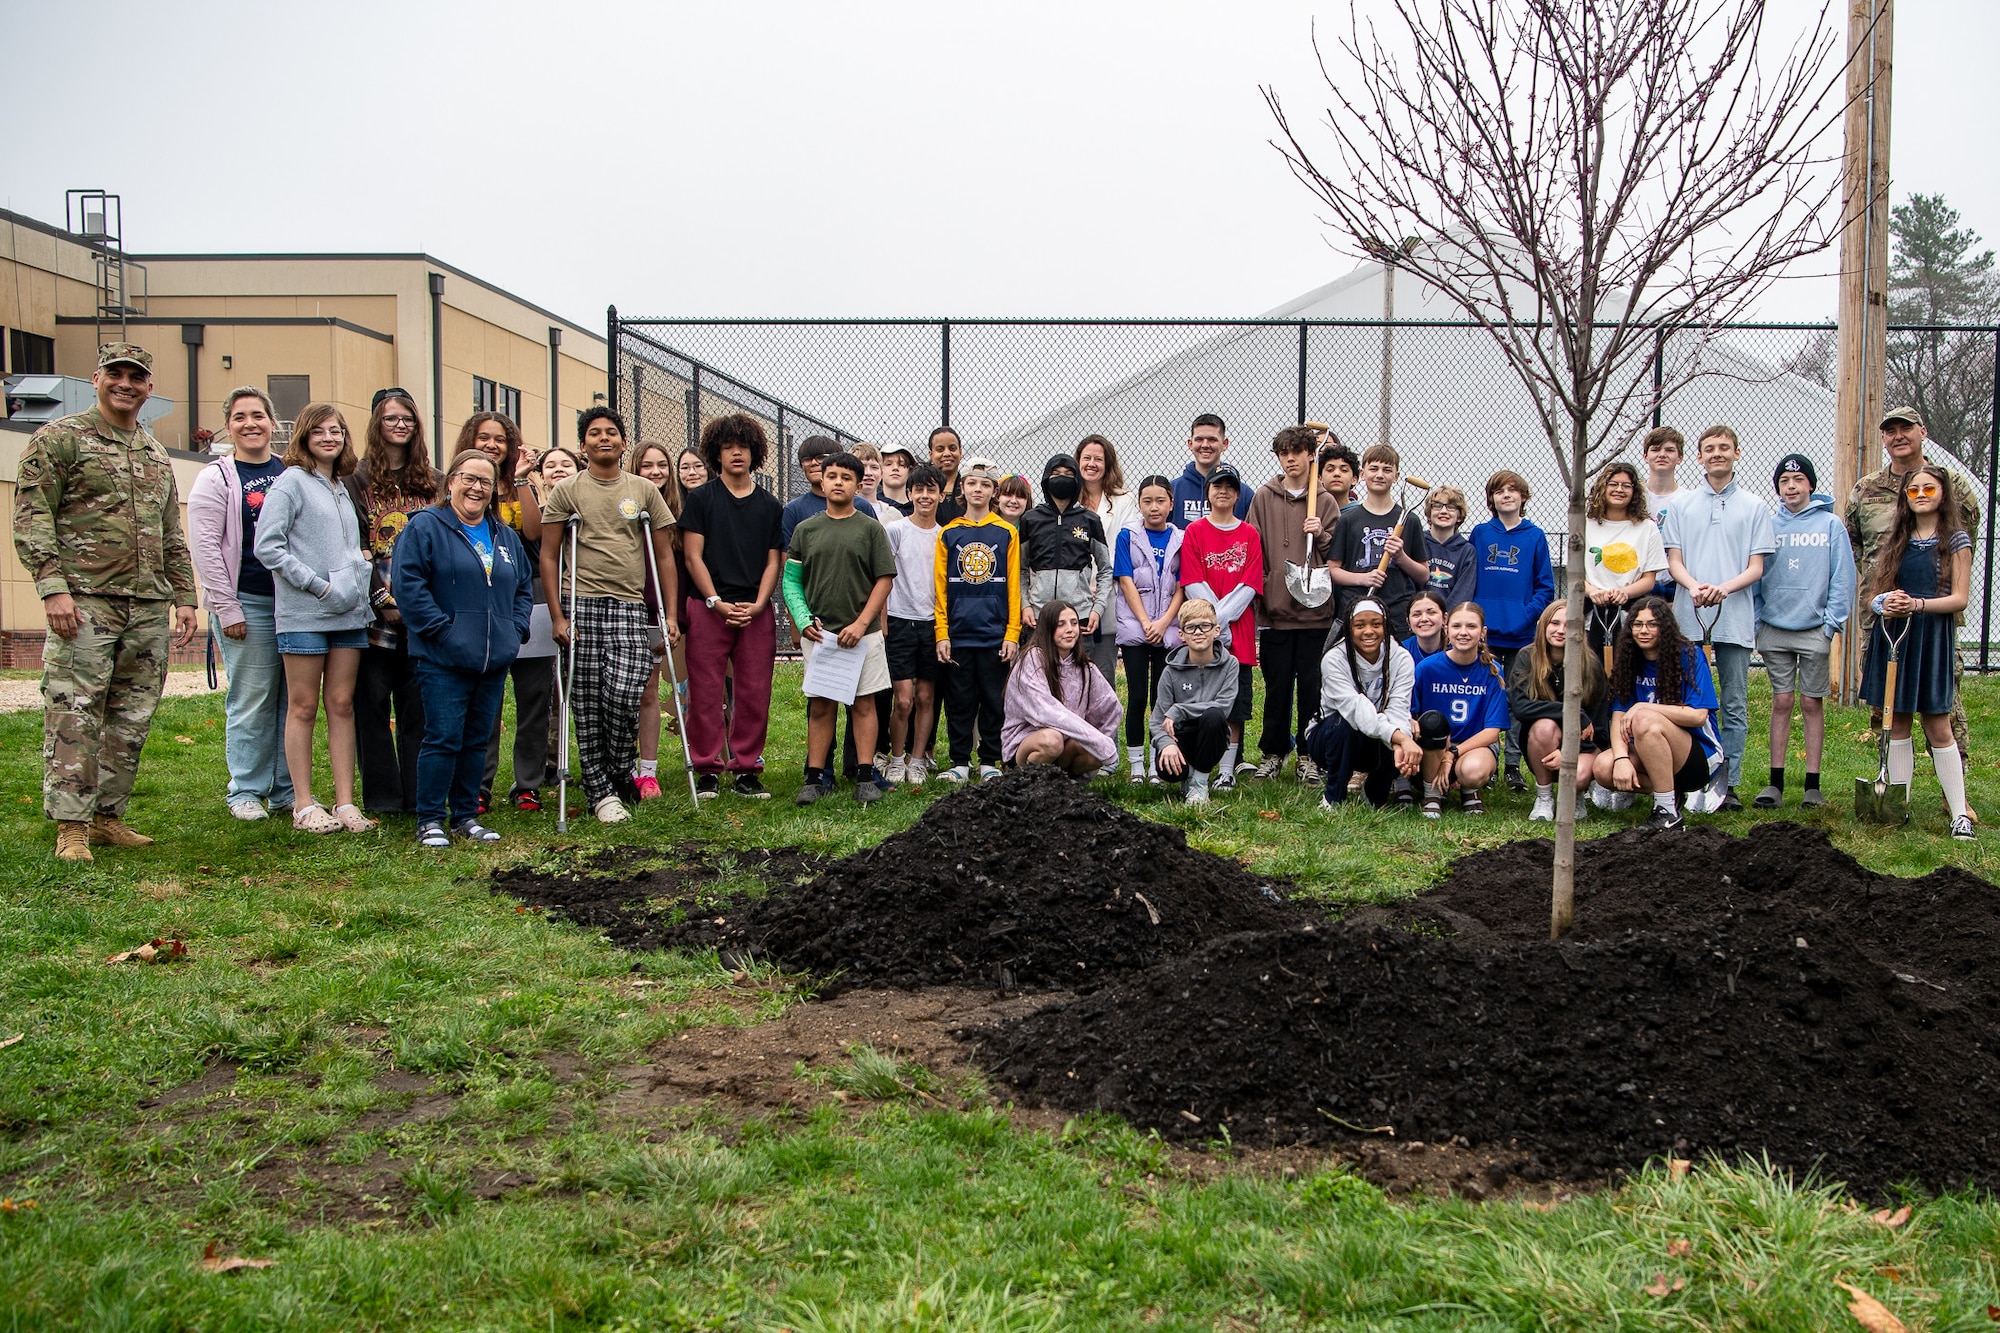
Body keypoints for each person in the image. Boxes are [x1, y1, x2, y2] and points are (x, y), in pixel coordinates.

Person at [13, 342, 198, 861]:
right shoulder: (61, 438)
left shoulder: (154, 453)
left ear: (148, 387)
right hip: (85, 602)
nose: (126, 383)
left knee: (131, 716)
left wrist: (185, 596)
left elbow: (169, 532)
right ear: (96, 378)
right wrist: (53, 588)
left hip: (146, 606)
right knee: (75, 712)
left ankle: (106, 817)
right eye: (115, 373)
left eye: (136, 377)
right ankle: (70, 825)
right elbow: (32, 517)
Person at [537, 406, 679, 825]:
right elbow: (548, 556)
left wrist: (669, 613)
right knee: (585, 700)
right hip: (581, 601)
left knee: (624, 693)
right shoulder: (567, 490)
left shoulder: (643, 490)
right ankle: (602, 791)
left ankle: (618, 771)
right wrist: (558, 616)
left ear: (622, 442)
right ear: (583, 445)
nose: (604, 438)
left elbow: (665, 556)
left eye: (612, 432)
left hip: (629, 605)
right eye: (595, 433)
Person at [392, 449, 533, 846]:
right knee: (443, 737)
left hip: (492, 659)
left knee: (477, 739)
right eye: (468, 478)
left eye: (485, 482)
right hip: (442, 657)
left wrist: (515, 629)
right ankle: (431, 818)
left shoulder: (505, 536)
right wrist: (442, 631)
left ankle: (466, 815)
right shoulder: (425, 528)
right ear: (450, 481)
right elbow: (409, 586)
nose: (476, 488)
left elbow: (523, 587)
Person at [255, 402, 376, 835]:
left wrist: (357, 569)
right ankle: (303, 804)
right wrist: (318, 585)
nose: (329, 438)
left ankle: (345, 802)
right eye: (320, 431)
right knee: (304, 707)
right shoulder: (291, 482)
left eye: (337, 430)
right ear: (304, 435)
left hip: (348, 615)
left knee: (342, 705)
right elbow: (268, 547)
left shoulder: (340, 485)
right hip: (305, 612)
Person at [1846, 405, 1981, 763]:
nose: (1898, 436)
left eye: (1906, 428)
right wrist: (1884, 586)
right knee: (1887, 705)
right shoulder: (1866, 489)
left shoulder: (1951, 483)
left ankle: (1954, 794)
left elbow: (1964, 537)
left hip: (1934, 617)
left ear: (1922, 432)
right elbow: (1856, 544)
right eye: (1890, 431)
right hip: (1881, 615)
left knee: (1944, 704)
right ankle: (1891, 788)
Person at [187, 386, 295, 821]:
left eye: (258, 415)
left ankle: (287, 790)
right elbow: (206, 548)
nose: (250, 423)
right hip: (247, 601)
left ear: (273, 423)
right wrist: (226, 607)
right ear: (228, 426)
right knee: (253, 698)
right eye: (239, 417)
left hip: (293, 604)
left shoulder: (291, 472)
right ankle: (245, 791)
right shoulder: (217, 477)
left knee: (294, 701)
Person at [1859, 463, 1975, 839]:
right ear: (1905, 499)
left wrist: (1917, 606)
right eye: (1914, 491)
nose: (1921, 495)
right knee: (1899, 722)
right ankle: (1899, 805)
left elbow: (1959, 599)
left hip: (1931, 639)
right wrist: (1884, 604)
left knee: (1939, 724)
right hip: (1896, 637)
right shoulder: (1897, 540)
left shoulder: (1956, 540)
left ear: (1943, 494)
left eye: (1929, 489)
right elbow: (1878, 594)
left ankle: (1959, 813)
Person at [1662, 425, 1774, 811]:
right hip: (1687, 618)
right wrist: (1694, 587)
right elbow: (1674, 561)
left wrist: (1723, 589)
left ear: (1737, 453)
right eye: (1709, 449)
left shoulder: (1755, 506)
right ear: (1699, 457)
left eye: (1724, 448)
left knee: (1734, 703)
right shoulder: (1681, 505)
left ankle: (1730, 783)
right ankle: (1689, 778)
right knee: (1683, 701)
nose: (1717, 454)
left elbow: (1756, 566)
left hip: (1734, 619)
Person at [343, 388, 440, 816]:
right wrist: (381, 597)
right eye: (390, 419)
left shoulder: (435, 481)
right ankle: (383, 799)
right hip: (370, 614)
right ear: (375, 424)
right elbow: (351, 548)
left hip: (423, 612)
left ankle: (420, 794)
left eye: (408, 419)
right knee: (372, 704)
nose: (400, 426)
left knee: (419, 709)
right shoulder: (354, 480)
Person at [680, 413, 786, 799]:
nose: (735, 453)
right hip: (708, 608)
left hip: (756, 611)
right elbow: (693, 557)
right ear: (716, 453)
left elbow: (775, 560)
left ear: (754, 452)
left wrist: (759, 605)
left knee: (754, 691)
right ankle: (706, 768)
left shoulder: (771, 506)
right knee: (705, 692)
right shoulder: (701, 499)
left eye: (742, 446)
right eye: (727, 447)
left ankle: (746, 769)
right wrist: (715, 602)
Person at [784, 451, 896, 804]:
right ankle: (815, 777)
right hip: (821, 637)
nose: (837, 482)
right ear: (821, 479)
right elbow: (791, 582)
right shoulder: (806, 529)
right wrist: (803, 621)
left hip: (864, 637)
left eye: (846, 477)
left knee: (865, 705)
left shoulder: (870, 528)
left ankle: (865, 777)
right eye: (831, 475)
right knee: (821, 706)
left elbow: (884, 581)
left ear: (857, 483)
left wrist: (862, 624)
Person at [457, 412, 555, 814]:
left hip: (530, 596)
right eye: (484, 438)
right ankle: (479, 784)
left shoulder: (524, 483)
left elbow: (534, 532)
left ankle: (527, 782)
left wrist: (520, 480)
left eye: (501, 439)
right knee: (486, 698)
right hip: (482, 600)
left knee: (535, 696)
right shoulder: (464, 485)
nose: (493, 445)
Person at [1754, 453, 1855, 809]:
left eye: (1798, 480)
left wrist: (1830, 625)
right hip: (1774, 628)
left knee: (1812, 702)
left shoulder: (1830, 525)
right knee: (1781, 701)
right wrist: (1757, 621)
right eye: (1784, 482)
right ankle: (1775, 783)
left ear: (1810, 484)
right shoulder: (1767, 524)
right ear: (1778, 488)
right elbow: (1756, 574)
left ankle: (1813, 784)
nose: (1791, 487)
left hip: (1814, 629)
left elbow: (1842, 578)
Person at [1247, 425, 1338, 784]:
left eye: (1298, 452)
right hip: (1277, 611)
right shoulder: (1264, 498)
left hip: (1315, 613)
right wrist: (1266, 590)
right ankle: (1273, 752)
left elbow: (1336, 555)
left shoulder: (1325, 500)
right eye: (1284, 453)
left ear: (1310, 455)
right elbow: (1255, 548)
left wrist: (1322, 533)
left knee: (1312, 688)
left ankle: (1309, 754)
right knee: (1277, 687)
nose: (1291, 459)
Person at [934, 457, 1022, 782]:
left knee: (992, 699)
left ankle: (989, 761)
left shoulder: (1007, 533)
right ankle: (959, 761)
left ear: (994, 491)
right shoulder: (948, 533)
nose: (978, 489)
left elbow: (1013, 588)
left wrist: (1012, 633)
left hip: (994, 634)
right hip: (958, 634)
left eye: (985, 485)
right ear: (962, 487)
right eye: (972, 483)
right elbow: (940, 589)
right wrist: (941, 632)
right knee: (959, 700)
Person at [1604, 596, 1725, 832]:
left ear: (1665, 627)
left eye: (1652, 624)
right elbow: (1618, 716)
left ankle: (1667, 810)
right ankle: (1669, 790)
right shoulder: (1629, 660)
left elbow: (1698, 716)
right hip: (1651, 748)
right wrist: (1621, 760)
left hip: (1698, 755)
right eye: (1637, 624)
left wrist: (1643, 707)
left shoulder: (1689, 655)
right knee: (1603, 767)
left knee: (1644, 719)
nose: (1643, 631)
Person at [1179, 465, 1265, 789]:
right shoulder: (1195, 532)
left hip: (1237, 633)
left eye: (1230, 486)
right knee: (1199, 696)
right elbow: (1192, 580)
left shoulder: (1249, 534)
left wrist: (1223, 621)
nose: (1223, 492)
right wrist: (1212, 623)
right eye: (1217, 486)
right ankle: (1195, 762)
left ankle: (1227, 769)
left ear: (1237, 493)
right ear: (1209, 492)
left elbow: (1249, 584)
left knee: (1235, 705)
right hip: (1203, 634)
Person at [1469, 469, 1554, 789]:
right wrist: (1478, 620)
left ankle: (1513, 765)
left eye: (1512, 490)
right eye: (1499, 491)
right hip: (1486, 636)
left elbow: (1545, 588)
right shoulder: (1480, 533)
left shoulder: (1534, 536)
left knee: (1518, 701)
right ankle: (1486, 759)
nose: (1506, 495)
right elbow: (1470, 577)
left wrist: (1525, 616)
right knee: (1487, 698)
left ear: (1523, 497)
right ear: (1491, 499)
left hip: (1520, 636)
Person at [1304, 598, 1421, 810]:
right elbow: (1357, 710)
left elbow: (1399, 708)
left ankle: (1375, 792)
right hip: (1330, 738)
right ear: (1349, 628)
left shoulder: (1401, 657)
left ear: (1386, 626)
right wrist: (1400, 738)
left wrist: (1401, 743)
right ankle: (1333, 797)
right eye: (1360, 625)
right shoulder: (1334, 659)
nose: (1369, 631)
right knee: (1346, 725)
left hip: (1377, 737)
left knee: (1408, 730)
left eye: (1376, 624)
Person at [1508, 602, 1610, 822]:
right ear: (1544, 625)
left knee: (1579, 776)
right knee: (1544, 726)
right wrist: (1571, 712)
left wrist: (1569, 752)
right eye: (1554, 623)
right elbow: (1521, 707)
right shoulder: (1527, 657)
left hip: (1584, 746)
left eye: (1569, 624)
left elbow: (1599, 725)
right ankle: (1544, 797)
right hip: (1541, 742)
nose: (1561, 630)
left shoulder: (1591, 665)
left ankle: (1575, 795)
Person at [1115, 475, 1185, 783]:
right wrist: (1145, 622)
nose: (1153, 507)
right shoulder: (1127, 536)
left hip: (1167, 630)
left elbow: (1183, 586)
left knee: (1161, 699)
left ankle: (1159, 763)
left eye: (1160, 501)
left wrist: (1164, 622)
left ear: (1171, 503)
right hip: (1135, 629)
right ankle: (1135, 766)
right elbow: (1126, 580)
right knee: (1138, 697)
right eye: (1147, 501)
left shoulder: (1182, 538)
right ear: (1139, 504)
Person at [1410, 603, 1510, 817]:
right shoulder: (1427, 668)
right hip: (1433, 745)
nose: (1463, 632)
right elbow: (1412, 714)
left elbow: (1492, 732)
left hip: (1473, 746)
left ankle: (1470, 790)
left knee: (1472, 771)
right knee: (1433, 724)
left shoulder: (1493, 671)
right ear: (1447, 629)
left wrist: (1452, 753)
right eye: (1457, 626)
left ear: (1482, 632)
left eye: (1471, 626)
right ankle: (1432, 792)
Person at [1020, 454, 1113, 685]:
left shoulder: (1090, 520)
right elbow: (1020, 569)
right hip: (1039, 619)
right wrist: (1025, 605)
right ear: (1046, 479)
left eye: (1069, 474)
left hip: (1078, 619)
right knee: (1039, 685)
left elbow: (1105, 569)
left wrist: (1097, 609)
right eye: (1056, 474)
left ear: (1078, 480)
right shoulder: (1031, 519)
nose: (1062, 479)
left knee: (1078, 685)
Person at [631, 441, 690, 800]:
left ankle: (648, 770)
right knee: (623, 693)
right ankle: (621, 765)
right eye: (646, 465)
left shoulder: (679, 514)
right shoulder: (625, 506)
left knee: (650, 691)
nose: (655, 472)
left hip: (659, 610)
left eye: (661, 465)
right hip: (625, 607)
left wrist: (673, 614)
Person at [1002, 599, 1122, 774]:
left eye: (1074, 623)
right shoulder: (1032, 659)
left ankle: (1065, 786)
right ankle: (1026, 782)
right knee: (1052, 740)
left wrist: (1102, 739)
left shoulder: (1085, 667)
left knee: (1094, 752)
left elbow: (1112, 708)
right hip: (1027, 745)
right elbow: (1044, 711)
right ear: (1047, 629)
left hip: (1064, 747)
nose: (1069, 630)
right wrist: (1095, 738)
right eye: (1061, 624)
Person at [883, 465, 946, 784]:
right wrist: (883, 621)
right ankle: (896, 757)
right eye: (918, 490)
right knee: (903, 698)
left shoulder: (945, 536)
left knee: (925, 697)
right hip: (899, 621)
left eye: (931, 490)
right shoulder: (895, 531)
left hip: (932, 625)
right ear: (909, 494)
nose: (924, 496)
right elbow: (882, 578)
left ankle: (918, 759)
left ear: (941, 494)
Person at [1329, 444, 1430, 638]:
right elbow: (1333, 570)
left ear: (1397, 476)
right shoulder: (1348, 520)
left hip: (1396, 611)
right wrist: (1363, 578)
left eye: (1387, 470)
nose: (1379, 475)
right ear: (1362, 473)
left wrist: (1401, 557)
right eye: (1373, 469)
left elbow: (1423, 575)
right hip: (1356, 608)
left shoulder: (1410, 520)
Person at [1150, 599, 1240, 804]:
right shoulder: (1170, 671)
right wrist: (1166, 745)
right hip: (1179, 736)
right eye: (1191, 627)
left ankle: (1199, 782)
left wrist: (1180, 709)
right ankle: (1188, 775)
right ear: (1182, 635)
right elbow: (1156, 720)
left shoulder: (1230, 665)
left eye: (1205, 626)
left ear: (1216, 630)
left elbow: (1224, 706)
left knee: (1214, 716)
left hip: (1211, 734)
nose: (1198, 632)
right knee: (1169, 771)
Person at [528, 446, 580, 782]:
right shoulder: (533, 508)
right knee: (544, 683)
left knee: (568, 682)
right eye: (550, 465)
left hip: (577, 597)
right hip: (539, 599)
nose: (558, 469)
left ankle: (559, 754)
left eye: (566, 463)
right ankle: (545, 759)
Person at [1582, 460, 1667, 657]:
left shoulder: (1647, 528)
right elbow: (1575, 574)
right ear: (1603, 487)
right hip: (1590, 614)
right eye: (1613, 484)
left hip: (1630, 615)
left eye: (1626, 485)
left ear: (1634, 491)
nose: (1619, 489)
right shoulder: (1586, 524)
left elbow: (1649, 579)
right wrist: (1593, 592)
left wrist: (1624, 593)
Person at [1075, 434, 1133, 687]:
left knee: (1103, 671)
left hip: (1108, 591)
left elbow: (1125, 544)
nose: (1092, 464)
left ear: (1108, 464)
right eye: (1086, 458)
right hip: (1074, 592)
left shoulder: (1124, 501)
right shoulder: (1067, 500)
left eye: (1098, 459)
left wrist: (1102, 580)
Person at [781, 434, 880, 548]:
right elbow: (789, 559)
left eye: (821, 457)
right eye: (807, 459)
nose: (813, 463)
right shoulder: (794, 509)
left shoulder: (862, 506)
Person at [1171, 413, 1252, 527]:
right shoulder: (1173, 490)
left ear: (1224, 444)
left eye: (1212, 439)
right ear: (1190, 443)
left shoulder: (1243, 493)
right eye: (1199, 439)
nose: (1205, 445)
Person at [1642, 426, 1686, 598]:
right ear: (1646, 456)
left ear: (1679, 457)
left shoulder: (1687, 500)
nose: (1662, 454)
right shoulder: (1634, 497)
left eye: (1669, 450)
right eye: (1655, 449)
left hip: (1673, 583)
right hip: (1639, 581)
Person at [1421, 485, 1477, 609]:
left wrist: (1445, 619)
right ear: (1429, 514)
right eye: (1437, 506)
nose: (1444, 511)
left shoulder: (1467, 551)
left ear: (1459, 516)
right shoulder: (1418, 542)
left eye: (1451, 507)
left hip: (1450, 621)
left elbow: (1463, 593)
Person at [927, 426, 966, 524]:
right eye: (940, 449)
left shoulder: (969, 487)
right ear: (931, 454)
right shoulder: (922, 489)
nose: (947, 453)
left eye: (952, 448)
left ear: (960, 452)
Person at [1401, 590, 1448, 660]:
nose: (1424, 619)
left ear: (1445, 618)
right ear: (1409, 622)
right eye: (1417, 614)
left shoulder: (1457, 649)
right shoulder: (1401, 651)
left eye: (1431, 612)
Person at [1317, 440, 1360, 508]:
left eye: (1344, 470)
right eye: (1330, 470)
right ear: (1319, 478)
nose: (1337, 474)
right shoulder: (1311, 511)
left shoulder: (1360, 514)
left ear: (1354, 479)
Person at [877, 445, 917, 517]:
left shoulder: (918, 508)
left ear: (909, 471)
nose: (895, 468)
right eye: (888, 464)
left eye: (901, 464)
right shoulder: (872, 506)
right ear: (879, 470)